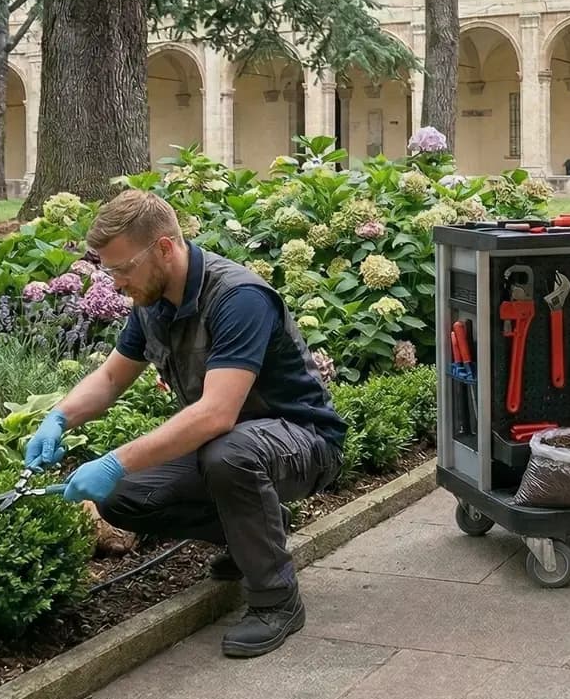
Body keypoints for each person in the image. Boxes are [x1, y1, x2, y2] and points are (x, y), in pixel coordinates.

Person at [23, 189, 346, 658]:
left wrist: (115, 459)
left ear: (164, 249)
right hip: (232, 446)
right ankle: (254, 527)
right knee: (119, 494)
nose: (115, 283)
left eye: (121, 268)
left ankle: (276, 600)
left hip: (302, 441)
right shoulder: (152, 301)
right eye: (108, 271)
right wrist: (57, 418)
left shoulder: (238, 297)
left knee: (228, 454)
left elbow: (216, 414)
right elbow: (112, 377)